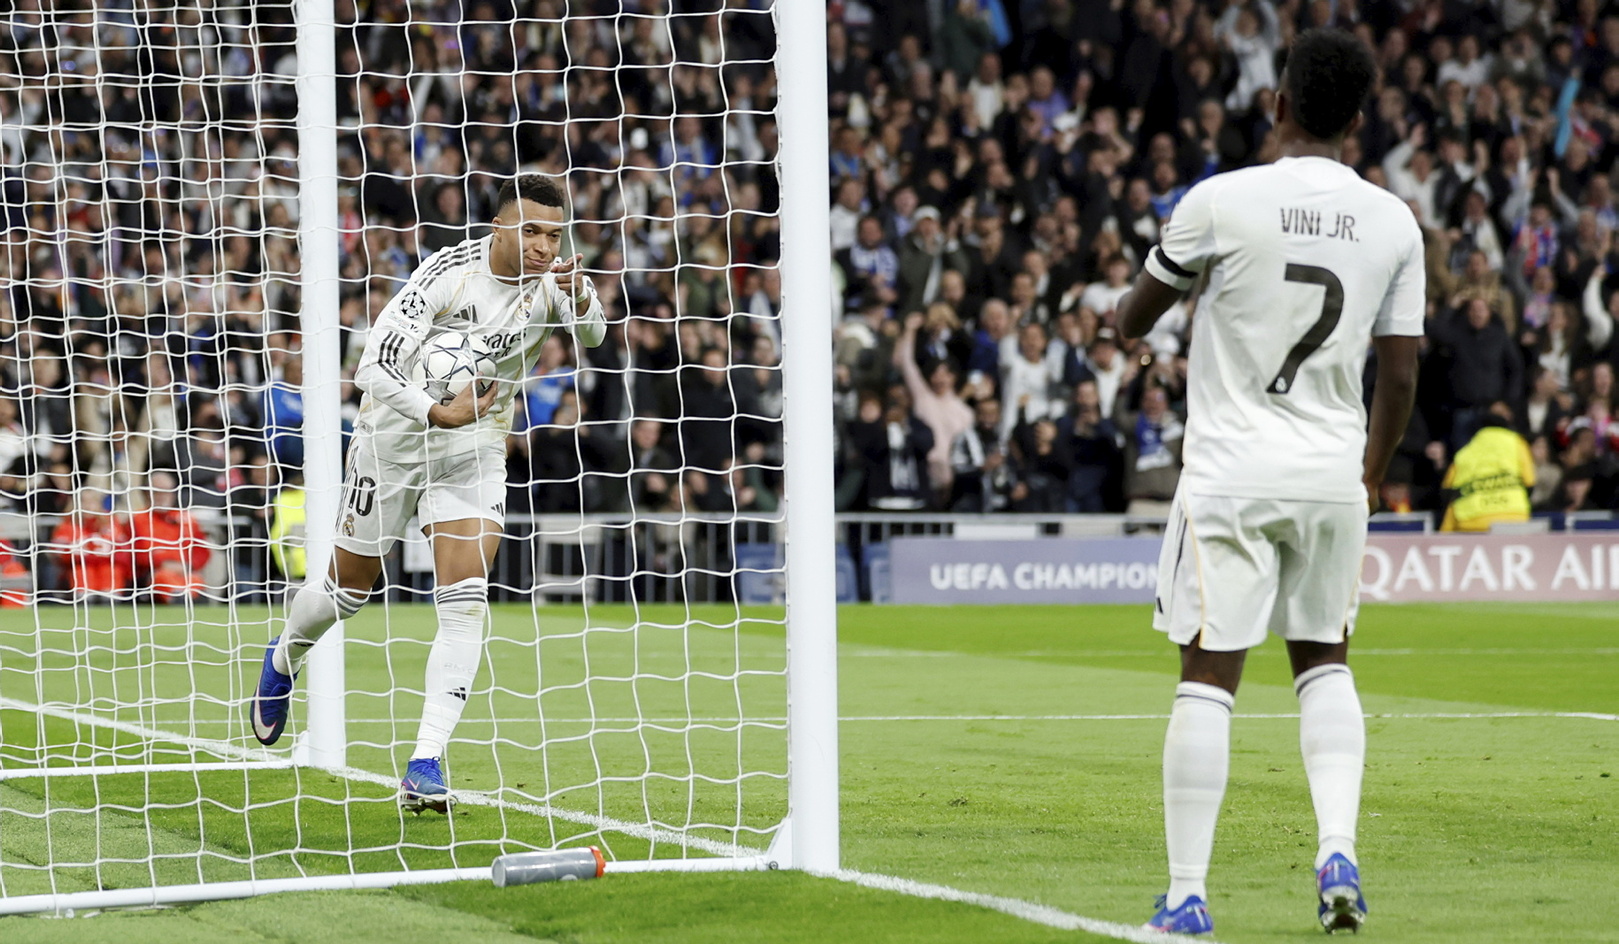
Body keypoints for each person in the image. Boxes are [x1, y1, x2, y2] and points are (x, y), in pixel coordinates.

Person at [1117, 31, 1423, 936]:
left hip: (1231, 475)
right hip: (1331, 476)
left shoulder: (1219, 201)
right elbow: (1400, 373)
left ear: (1274, 103)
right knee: (1323, 664)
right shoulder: (1393, 219)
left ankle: (1185, 897)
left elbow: (1138, 316)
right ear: (1359, 119)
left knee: (1207, 679)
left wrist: (1118, 315)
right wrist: (1368, 474)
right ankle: (1337, 850)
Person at [250, 174, 606, 815]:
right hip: (391, 444)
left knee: (467, 598)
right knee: (344, 594)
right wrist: (437, 412)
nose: (544, 247)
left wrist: (582, 296)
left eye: (555, 235)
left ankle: (425, 762)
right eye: (531, 231)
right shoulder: (447, 274)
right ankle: (284, 655)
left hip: (472, 453)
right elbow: (370, 369)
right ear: (499, 226)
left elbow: (596, 336)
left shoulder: (554, 284)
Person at [1440, 402, 1536, 532]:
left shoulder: (1465, 451)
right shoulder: (1516, 442)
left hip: (1472, 522)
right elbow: (1530, 483)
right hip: (1514, 519)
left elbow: (1446, 491)